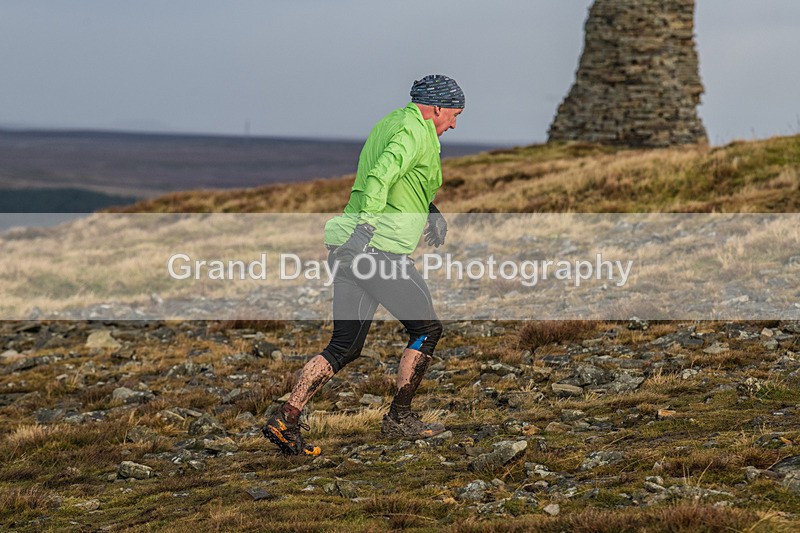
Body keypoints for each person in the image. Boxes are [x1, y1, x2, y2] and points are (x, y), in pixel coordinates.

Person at [263, 74, 465, 456]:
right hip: (376, 250)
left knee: (345, 345)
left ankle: (285, 418)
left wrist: (429, 211)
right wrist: (367, 229)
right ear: (436, 107)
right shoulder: (413, 131)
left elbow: (401, 183)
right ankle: (399, 419)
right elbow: (380, 176)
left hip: (347, 248)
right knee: (427, 329)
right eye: (453, 115)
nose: (453, 124)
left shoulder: (390, 122)